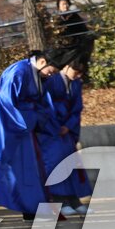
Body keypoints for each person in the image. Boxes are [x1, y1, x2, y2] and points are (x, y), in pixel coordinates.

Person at [0, 49, 71, 220]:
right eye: (50, 71)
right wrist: (27, 121)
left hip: (26, 124)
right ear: (42, 62)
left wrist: (49, 125)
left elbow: (40, 104)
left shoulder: (35, 74)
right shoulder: (19, 72)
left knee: (31, 169)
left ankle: (33, 207)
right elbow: (7, 102)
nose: (50, 75)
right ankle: (30, 207)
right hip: (12, 125)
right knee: (19, 169)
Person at [43, 57, 92, 216]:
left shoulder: (76, 83)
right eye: (76, 72)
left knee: (72, 165)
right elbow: (45, 106)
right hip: (52, 131)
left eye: (80, 74)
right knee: (56, 165)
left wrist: (69, 126)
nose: (77, 76)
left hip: (67, 129)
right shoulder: (51, 81)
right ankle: (60, 201)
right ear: (68, 66)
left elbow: (77, 108)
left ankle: (74, 201)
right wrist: (57, 126)